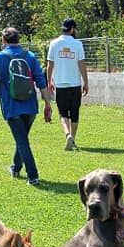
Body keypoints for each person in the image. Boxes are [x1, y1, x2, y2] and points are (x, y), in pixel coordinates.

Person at [0, 27, 52, 187]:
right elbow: (40, 80)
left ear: (4, 40)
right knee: (21, 138)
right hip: (30, 106)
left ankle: (33, 176)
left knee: (22, 140)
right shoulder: (30, 56)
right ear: (18, 39)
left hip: (12, 107)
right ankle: (16, 168)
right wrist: (47, 102)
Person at [46, 18, 88, 150]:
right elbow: (81, 64)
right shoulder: (78, 44)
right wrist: (85, 82)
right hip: (75, 84)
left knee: (63, 113)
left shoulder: (54, 43)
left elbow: (50, 64)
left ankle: (67, 134)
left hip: (60, 84)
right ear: (72, 29)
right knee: (74, 113)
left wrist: (49, 81)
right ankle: (73, 139)